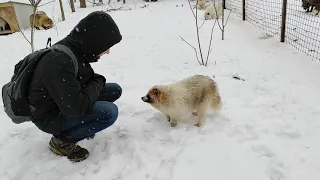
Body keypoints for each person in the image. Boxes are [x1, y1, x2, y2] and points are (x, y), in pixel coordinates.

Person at [27, 11, 122, 162]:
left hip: (62, 101)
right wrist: (98, 81)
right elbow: (76, 107)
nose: (108, 51)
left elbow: (87, 80)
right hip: (48, 115)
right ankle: (62, 141)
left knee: (114, 90)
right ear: (95, 40)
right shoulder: (59, 61)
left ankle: (85, 122)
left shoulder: (77, 48)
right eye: (106, 46)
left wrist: (96, 81)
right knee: (109, 113)